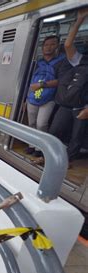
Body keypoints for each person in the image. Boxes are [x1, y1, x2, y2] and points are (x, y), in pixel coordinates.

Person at [48, 8, 88, 162]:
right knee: (55, 131)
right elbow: (68, 45)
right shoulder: (82, 60)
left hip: (83, 106)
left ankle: (66, 162)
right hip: (67, 103)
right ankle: (49, 158)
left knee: (77, 138)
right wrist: (80, 19)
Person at [25, 36, 66, 157]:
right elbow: (28, 81)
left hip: (49, 98)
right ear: (42, 48)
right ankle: (31, 145)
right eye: (46, 45)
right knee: (31, 123)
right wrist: (24, 99)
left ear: (57, 46)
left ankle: (41, 147)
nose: (49, 47)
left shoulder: (61, 62)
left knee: (42, 124)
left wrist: (42, 85)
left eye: (52, 44)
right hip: (32, 97)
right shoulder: (37, 63)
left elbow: (62, 80)